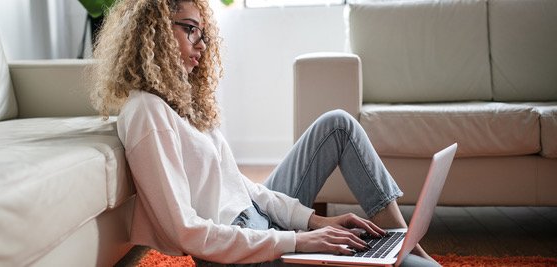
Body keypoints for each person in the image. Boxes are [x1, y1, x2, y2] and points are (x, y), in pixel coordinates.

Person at [90, 0, 439, 266]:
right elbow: (186, 232)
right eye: (190, 30)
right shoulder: (147, 112)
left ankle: (401, 240)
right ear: (155, 31)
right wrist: (297, 240)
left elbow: (242, 187)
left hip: (260, 224)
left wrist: (312, 220)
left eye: (203, 34)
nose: (201, 45)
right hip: (240, 251)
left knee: (338, 125)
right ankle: (404, 254)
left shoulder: (185, 104)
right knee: (387, 260)